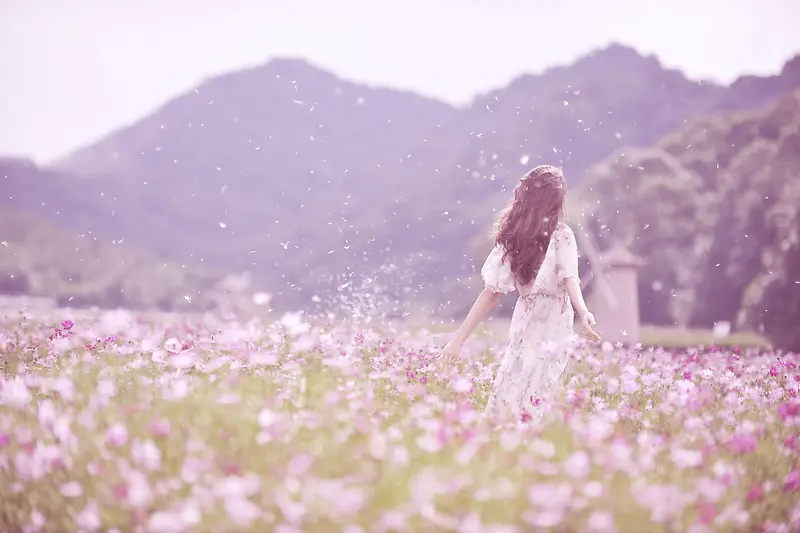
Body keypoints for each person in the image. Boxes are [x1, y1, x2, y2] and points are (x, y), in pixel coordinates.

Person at [435, 165, 600, 419]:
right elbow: (569, 279)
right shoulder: (545, 235)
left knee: (520, 376)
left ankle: (506, 432)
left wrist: (583, 311)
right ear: (555, 200)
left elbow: (568, 278)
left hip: (535, 315)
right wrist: (457, 340)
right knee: (533, 380)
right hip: (548, 317)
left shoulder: (524, 235)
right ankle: (520, 436)